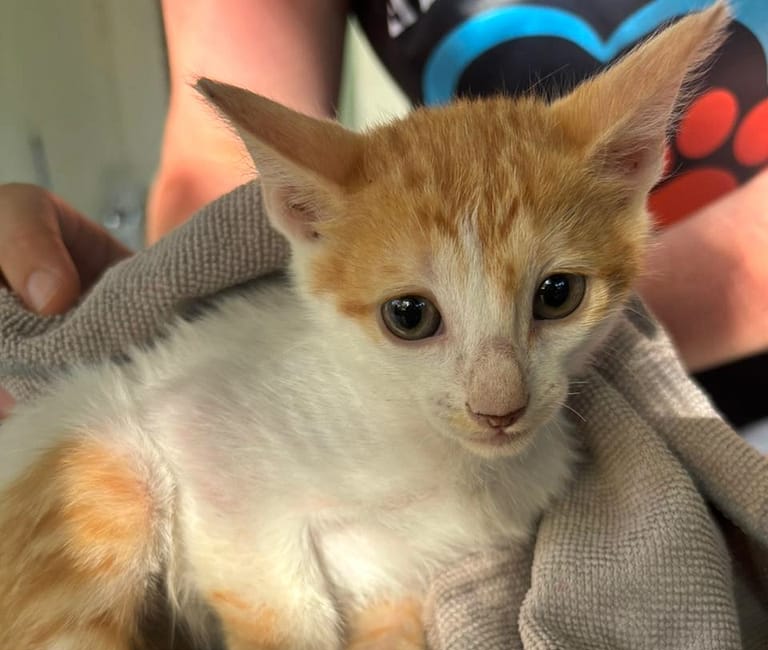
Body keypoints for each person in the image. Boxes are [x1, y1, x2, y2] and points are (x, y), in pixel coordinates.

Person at [1, 0, 766, 423]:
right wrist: (167, 313)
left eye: (555, 297)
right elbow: (220, 156)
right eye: (410, 314)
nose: (499, 403)